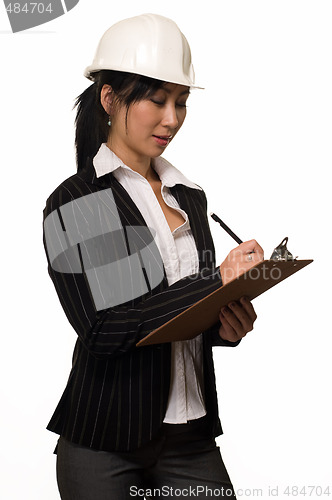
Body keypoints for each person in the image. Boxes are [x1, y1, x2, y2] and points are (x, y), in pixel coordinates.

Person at [42, 13, 264, 500]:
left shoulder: (190, 197)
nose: (172, 118)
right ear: (109, 98)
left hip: (192, 438)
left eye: (181, 102)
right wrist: (215, 282)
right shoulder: (80, 201)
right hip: (104, 444)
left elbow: (177, 319)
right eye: (157, 99)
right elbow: (106, 328)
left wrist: (224, 323)